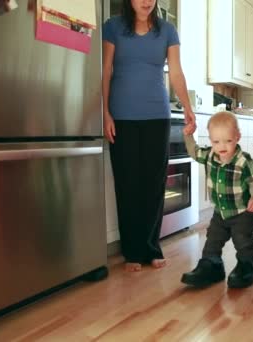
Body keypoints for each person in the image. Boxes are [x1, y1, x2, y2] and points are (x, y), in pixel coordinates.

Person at [102, 0, 196, 272]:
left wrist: (188, 108)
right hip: (122, 116)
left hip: (158, 115)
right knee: (128, 183)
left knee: (154, 184)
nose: (146, 1)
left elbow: (175, 72)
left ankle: (151, 248)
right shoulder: (113, 28)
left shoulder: (167, 30)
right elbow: (106, 70)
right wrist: (105, 112)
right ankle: (132, 251)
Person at [181, 111, 253, 288]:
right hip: (220, 213)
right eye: (216, 142)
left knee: (243, 241)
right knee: (213, 240)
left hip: (242, 213)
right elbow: (195, 152)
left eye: (228, 141)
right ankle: (212, 265)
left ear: (237, 137)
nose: (222, 146)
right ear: (211, 140)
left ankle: (247, 265)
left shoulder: (243, 161)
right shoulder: (210, 155)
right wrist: (188, 135)